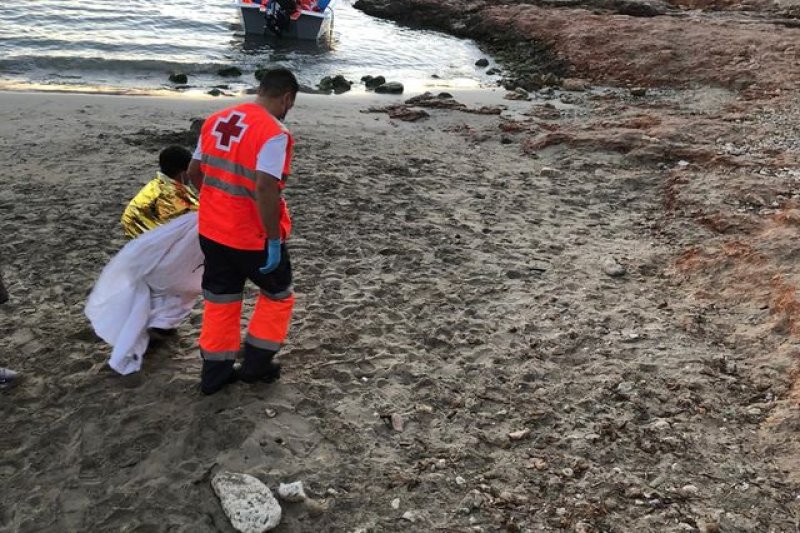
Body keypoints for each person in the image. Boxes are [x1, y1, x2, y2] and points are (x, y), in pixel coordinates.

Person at [187, 67, 298, 395]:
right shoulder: (274, 132)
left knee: (221, 300)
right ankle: (256, 365)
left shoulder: (215, 121)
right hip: (251, 236)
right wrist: (274, 239)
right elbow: (265, 187)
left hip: (212, 231)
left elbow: (194, 171)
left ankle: (215, 374)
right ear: (286, 98)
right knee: (278, 294)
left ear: (260, 89)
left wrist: (215, 200)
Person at [85, 146, 203, 375]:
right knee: (180, 288)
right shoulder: (174, 196)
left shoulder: (154, 187)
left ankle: (159, 327)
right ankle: (156, 328)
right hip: (157, 257)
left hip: (140, 252)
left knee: (154, 293)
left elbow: (130, 219)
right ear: (183, 172)